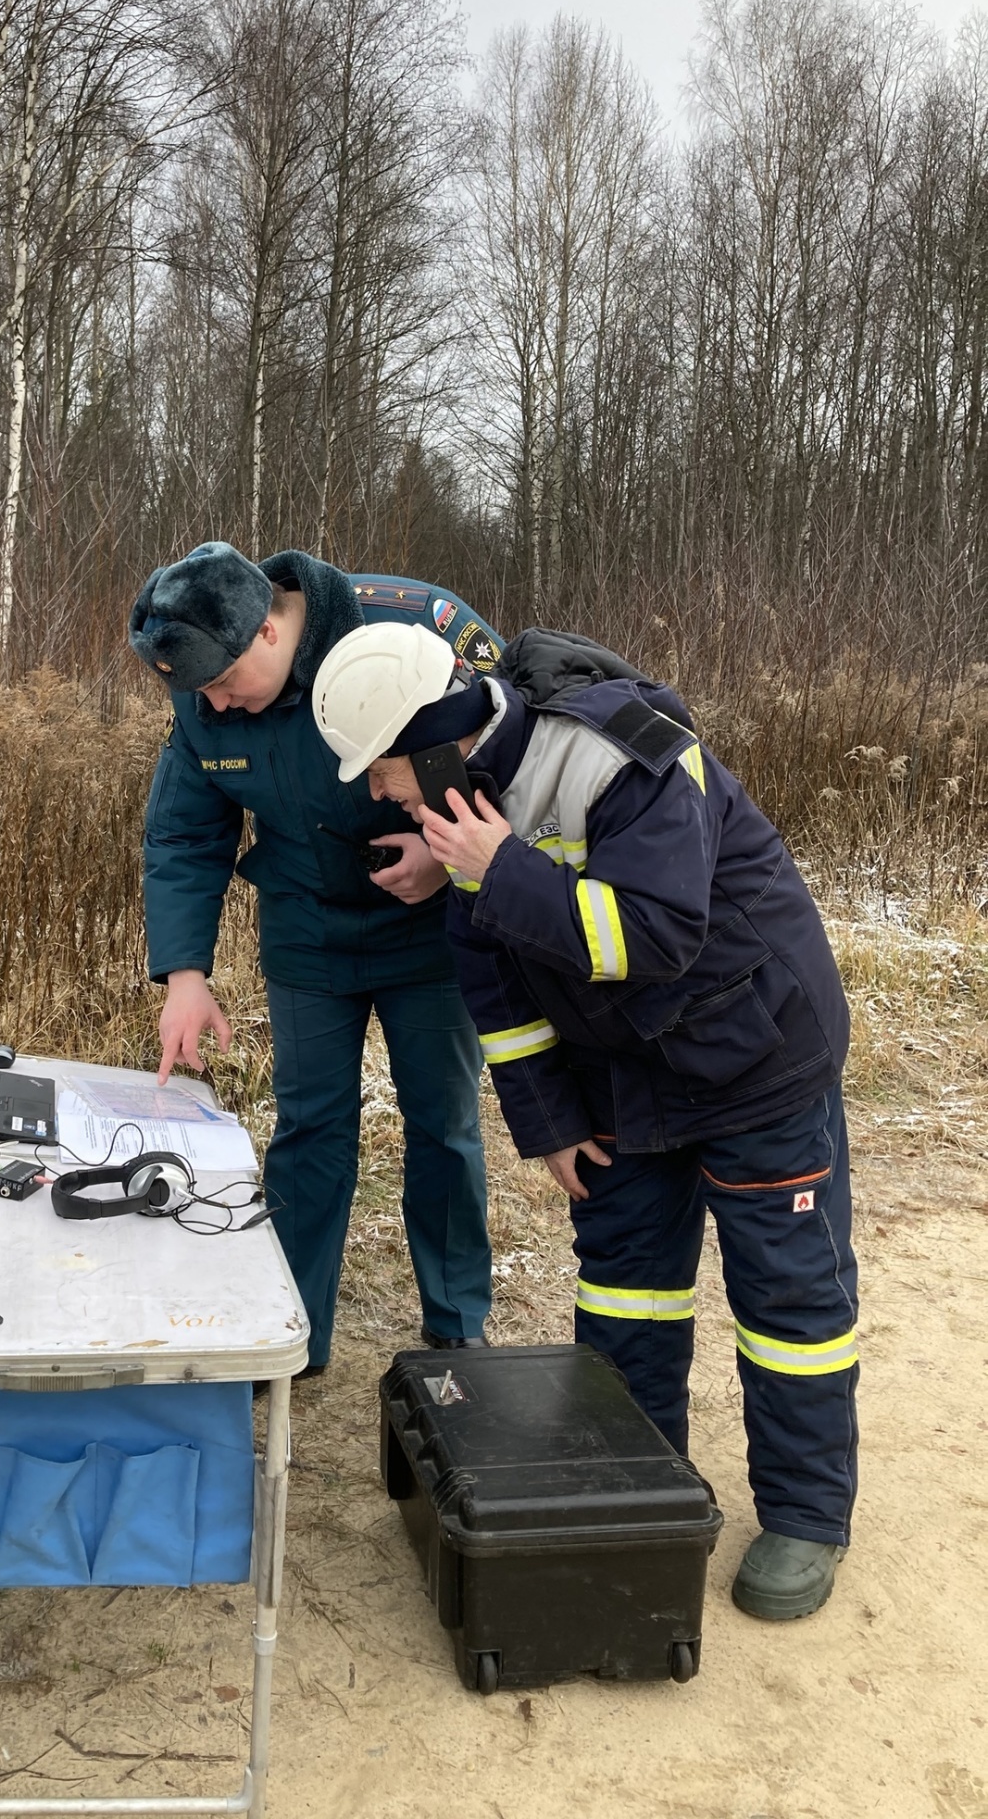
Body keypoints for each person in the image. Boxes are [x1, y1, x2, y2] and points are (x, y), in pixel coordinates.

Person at [310, 620, 858, 1622]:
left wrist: (500, 864)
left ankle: (807, 1514)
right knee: (625, 1296)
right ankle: (639, 1491)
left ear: (434, 744)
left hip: (757, 1059)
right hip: (625, 1084)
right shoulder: (466, 817)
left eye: (384, 773)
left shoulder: (622, 750)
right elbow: (496, 987)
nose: (380, 795)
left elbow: (655, 931)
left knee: (789, 1305)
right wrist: (552, 1120)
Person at [127, 541, 506, 1378]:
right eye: (198, 695)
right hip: (305, 922)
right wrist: (185, 975)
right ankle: (293, 1328)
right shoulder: (204, 694)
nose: (214, 708)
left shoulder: (414, 626)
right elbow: (186, 832)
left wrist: (446, 857)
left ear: (267, 632)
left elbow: (512, 746)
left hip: (430, 923)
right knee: (310, 1128)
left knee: (443, 1122)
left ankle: (457, 1322)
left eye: (223, 686)